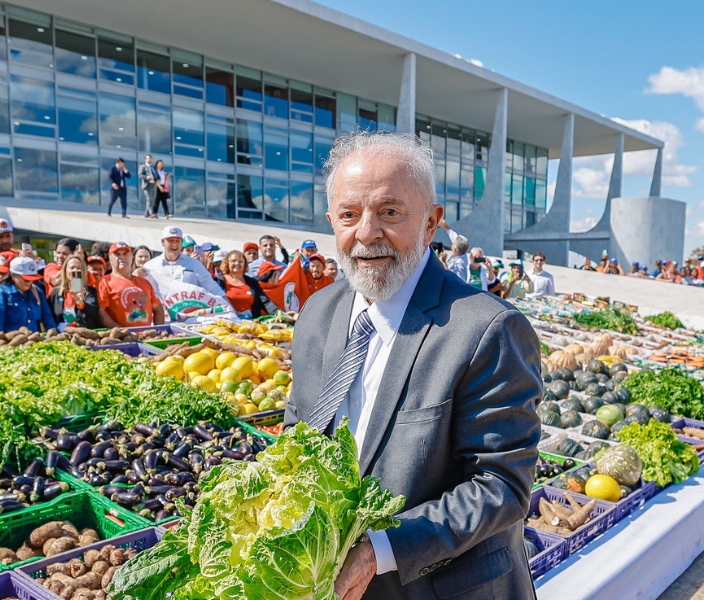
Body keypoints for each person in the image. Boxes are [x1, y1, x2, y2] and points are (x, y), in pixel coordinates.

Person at [284, 131, 541, 600]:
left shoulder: (488, 328)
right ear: (331, 222)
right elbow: (298, 428)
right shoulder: (316, 314)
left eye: (390, 212)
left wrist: (377, 550)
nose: (366, 233)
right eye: (349, 214)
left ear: (430, 223)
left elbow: (501, 485)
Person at [143, 226, 229, 302]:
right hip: (160, 317)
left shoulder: (195, 264)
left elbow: (214, 289)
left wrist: (231, 310)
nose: (174, 244)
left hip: (189, 317)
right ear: (163, 242)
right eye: (170, 240)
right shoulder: (150, 266)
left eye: (177, 241)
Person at [98, 242, 163, 327]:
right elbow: (101, 312)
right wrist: (121, 332)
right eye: (117, 255)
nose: (122, 258)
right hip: (121, 338)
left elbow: (157, 307)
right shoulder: (103, 282)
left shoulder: (144, 282)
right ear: (110, 259)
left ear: (131, 258)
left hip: (147, 336)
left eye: (125, 254)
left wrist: (159, 330)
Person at [0, 256, 56, 334]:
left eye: (32, 279)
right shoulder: (0, 293)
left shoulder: (37, 292)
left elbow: (48, 319)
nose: (29, 282)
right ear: (13, 275)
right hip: (10, 344)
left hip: (35, 342)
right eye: (26, 279)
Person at [213, 250, 277, 319]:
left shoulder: (252, 282)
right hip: (225, 323)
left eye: (240, 261)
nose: (237, 263)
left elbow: (266, 302)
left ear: (245, 264)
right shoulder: (218, 281)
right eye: (233, 261)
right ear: (227, 263)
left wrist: (281, 315)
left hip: (250, 324)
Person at [50, 254, 102, 329]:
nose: (75, 270)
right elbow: (50, 316)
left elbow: (94, 315)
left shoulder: (89, 291)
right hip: (62, 335)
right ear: (65, 271)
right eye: (72, 268)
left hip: (83, 333)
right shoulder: (56, 292)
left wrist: (81, 304)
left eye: (79, 268)